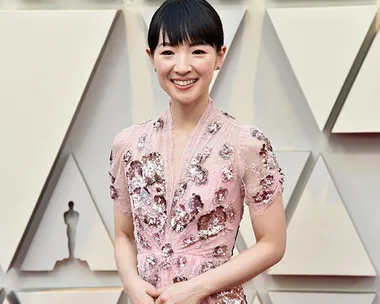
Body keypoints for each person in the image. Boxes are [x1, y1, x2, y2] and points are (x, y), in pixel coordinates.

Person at [109, 0, 286, 303]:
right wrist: (132, 285)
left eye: (198, 51)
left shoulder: (247, 145)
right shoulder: (128, 145)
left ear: (220, 56)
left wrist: (197, 288)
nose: (182, 66)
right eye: (168, 51)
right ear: (151, 58)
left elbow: (273, 243)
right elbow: (123, 234)